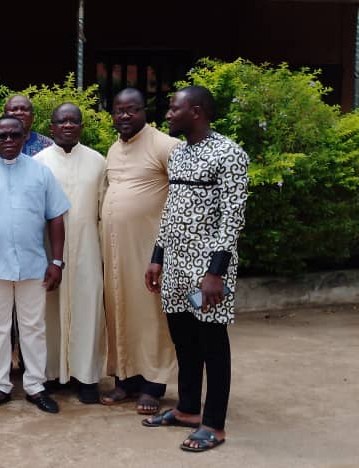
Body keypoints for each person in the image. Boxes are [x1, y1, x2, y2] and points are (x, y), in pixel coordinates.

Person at [142, 86, 248, 453]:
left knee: (213, 344)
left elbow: (232, 220)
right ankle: (187, 409)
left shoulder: (230, 154)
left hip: (208, 268)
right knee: (184, 340)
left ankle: (214, 424)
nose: (168, 115)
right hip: (174, 264)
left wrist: (216, 272)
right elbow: (171, 211)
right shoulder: (179, 155)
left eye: (174, 109)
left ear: (197, 112)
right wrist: (157, 256)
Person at [0, 115, 70, 414]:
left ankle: (35, 386)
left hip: (34, 266)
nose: (8, 141)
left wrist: (57, 261)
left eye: (14, 136)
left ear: (24, 138)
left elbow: (55, 217)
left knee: (33, 327)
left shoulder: (41, 173)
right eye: (1, 137)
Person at [99, 88, 179, 415]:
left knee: (150, 316)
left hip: (148, 252)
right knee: (119, 311)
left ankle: (153, 384)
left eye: (132, 110)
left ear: (145, 111)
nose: (125, 116)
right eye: (119, 111)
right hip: (114, 252)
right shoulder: (113, 149)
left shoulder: (164, 145)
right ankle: (126, 379)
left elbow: (182, 199)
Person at [34, 103, 107, 404]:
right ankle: (51, 374)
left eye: (73, 121)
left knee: (88, 308)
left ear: (81, 126)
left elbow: (105, 209)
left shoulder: (98, 161)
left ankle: (86, 376)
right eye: (61, 121)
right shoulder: (38, 162)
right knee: (48, 311)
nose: (67, 125)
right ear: (51, 128)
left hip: (88, 247)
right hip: (48, 248)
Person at [0, 95, 54, 166]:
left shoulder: (48, 146)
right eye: (14, 109)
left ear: (32, 117)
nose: (19, 112)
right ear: (4, 116)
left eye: (24, 109)